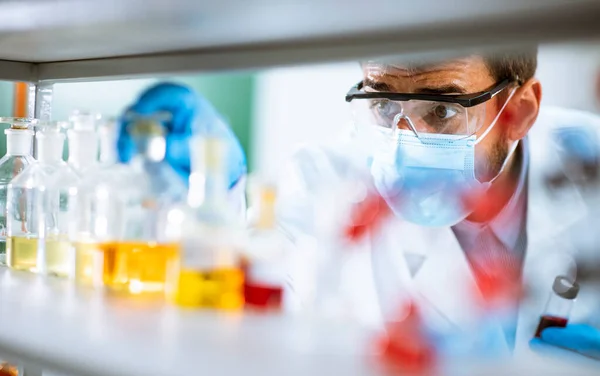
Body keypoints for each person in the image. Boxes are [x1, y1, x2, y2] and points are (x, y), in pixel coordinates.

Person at [119, 51, 600, 358]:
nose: (405, 137)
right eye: (384, 104)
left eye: (442, 110)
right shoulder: (324, 181)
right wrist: (215, 212)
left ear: (517, 113)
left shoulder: (591, 165)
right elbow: (256, 335)